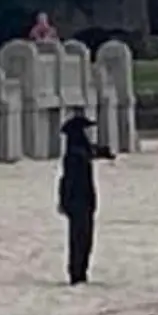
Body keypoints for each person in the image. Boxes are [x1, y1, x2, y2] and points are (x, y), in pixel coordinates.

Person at [57, 111, 114, 285]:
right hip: (80, 202)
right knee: (80, 238)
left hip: (82, 201)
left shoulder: (77, 149)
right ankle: (77, 273)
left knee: (82, 238)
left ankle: (79, 271)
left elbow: (92, 151)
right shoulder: (75, 153)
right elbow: (68, 179)